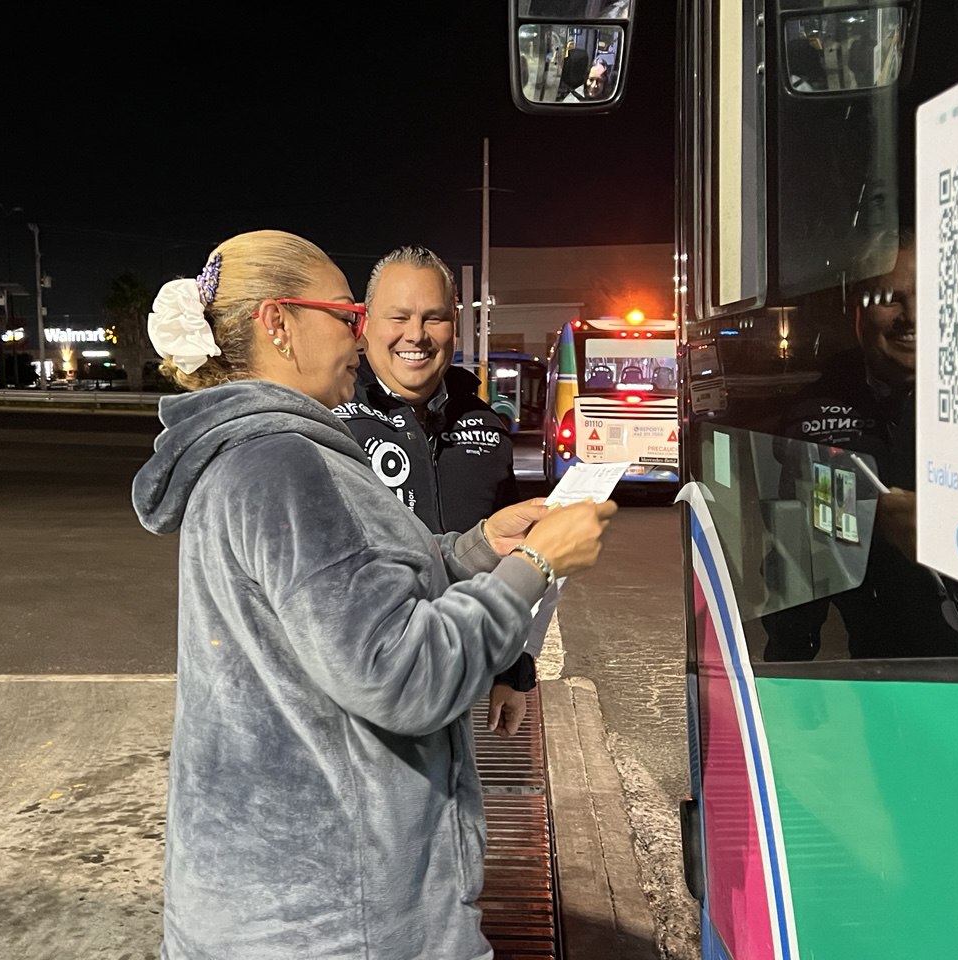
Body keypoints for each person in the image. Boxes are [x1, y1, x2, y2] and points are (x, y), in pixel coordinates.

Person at [132, 229, 616, 960]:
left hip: (277, 899)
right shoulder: (281, 466)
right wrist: (536, 569)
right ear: (278, 324)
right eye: (346, 314)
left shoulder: (265, 453)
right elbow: (402, 672)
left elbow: (365, 587)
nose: (362, 334)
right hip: (335, 917)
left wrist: (482, 545)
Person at [334, 245, 532, 738]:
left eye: (434, 318)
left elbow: (519, 560)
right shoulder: (329, 423)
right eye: (398, 317)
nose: (416, 336)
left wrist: (512, 672)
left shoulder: (486, 424)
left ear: (456, 326)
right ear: (365, 324)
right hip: (360, 696)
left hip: (463, 681)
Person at [761, 232, 958, 660]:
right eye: (888, 297)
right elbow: (802, 557)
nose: (911, 316)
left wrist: (954, 531)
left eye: (931, 294)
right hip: (879, 672)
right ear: (855, 307)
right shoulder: (816, 418)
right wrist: (790, 665)